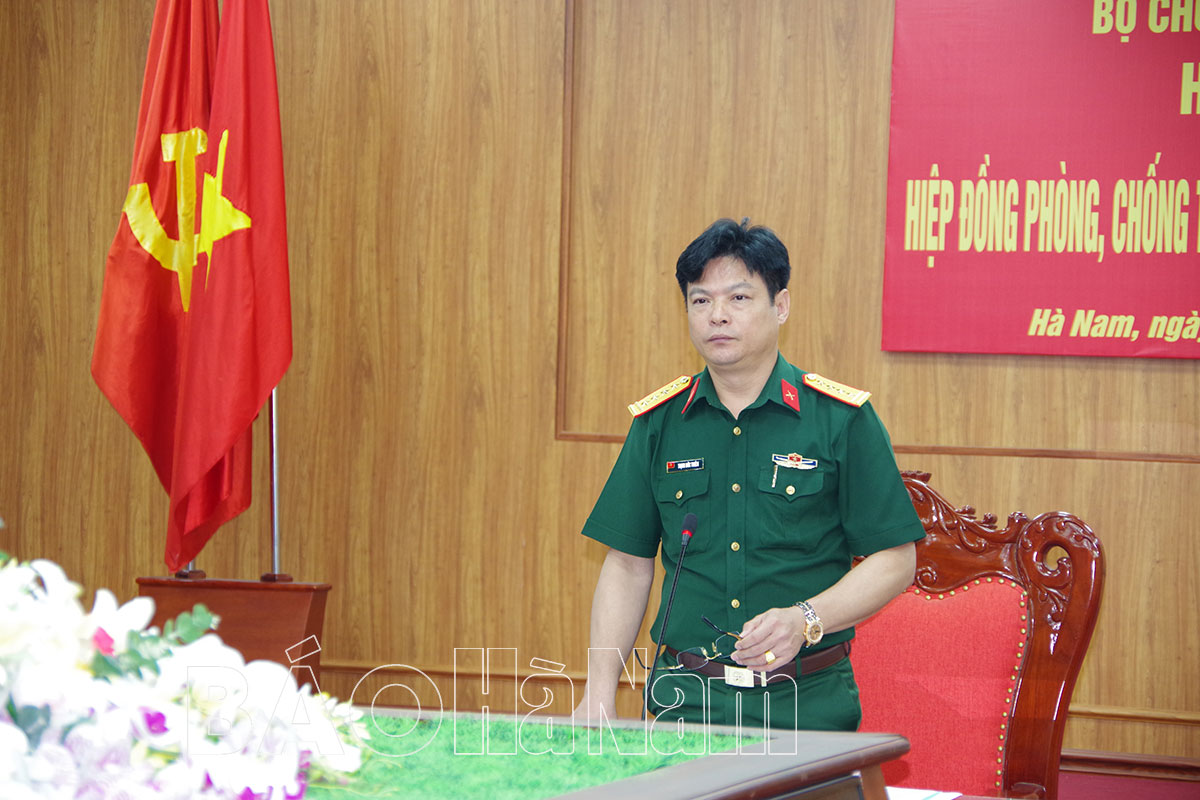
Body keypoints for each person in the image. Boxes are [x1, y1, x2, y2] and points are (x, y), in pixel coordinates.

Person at [574, 218, 925, 732]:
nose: (717, 315)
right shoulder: (659, 422)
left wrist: (805, 618)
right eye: (700, 300)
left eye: (738, 298)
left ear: (780, 306)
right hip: (686, 703)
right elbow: (627, 565)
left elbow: (895, 559)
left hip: (807, 705)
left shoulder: (840, 418)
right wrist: (599, 693)